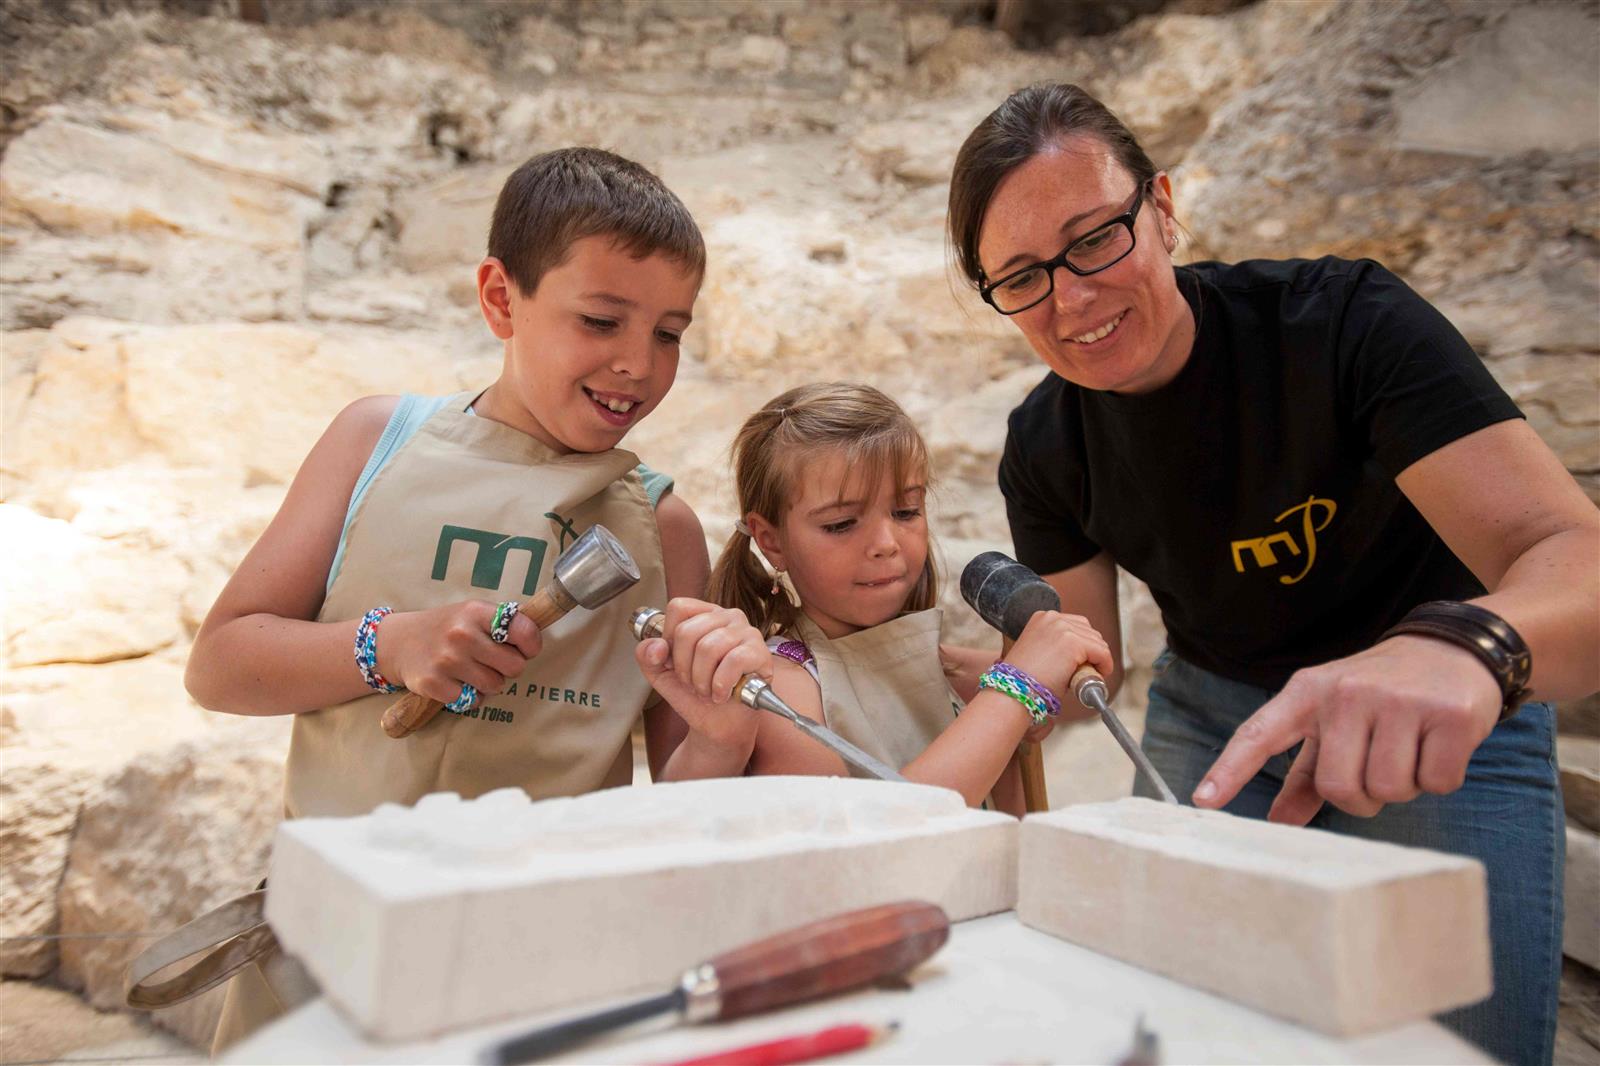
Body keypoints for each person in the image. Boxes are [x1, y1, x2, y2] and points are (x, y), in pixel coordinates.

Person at [945, 82, 1599, 1064]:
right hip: (1219, 712)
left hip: (1439, 698)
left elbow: (1572, 558)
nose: (1069, 297)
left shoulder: (1342, 325)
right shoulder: (1044, 443)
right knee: (1184, 1026)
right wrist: (987, 680)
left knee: (1463, 1043)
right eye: (1022, 278)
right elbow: (1084, 662)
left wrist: (1459, 644)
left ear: (1162, 207)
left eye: (1093, 240)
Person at [182, 147, 768, 1050]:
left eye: (669, 333)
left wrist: (724, 730)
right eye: (603, 319)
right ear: (501, 297)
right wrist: (390, 646)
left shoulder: (662, 529)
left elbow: (674, 801)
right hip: (325, 954)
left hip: (543, 971)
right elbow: (220, 666)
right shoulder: (378, 442)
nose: (638, 365)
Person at [671, 382, 1113, 814]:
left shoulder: (950, 669)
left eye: (905, 512)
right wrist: (1017, 691)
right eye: (842, 523)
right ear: (772, 541)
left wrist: (1034, 696)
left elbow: (1011, 812)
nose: (886, 542)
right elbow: (888, 831)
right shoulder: (777, 688)